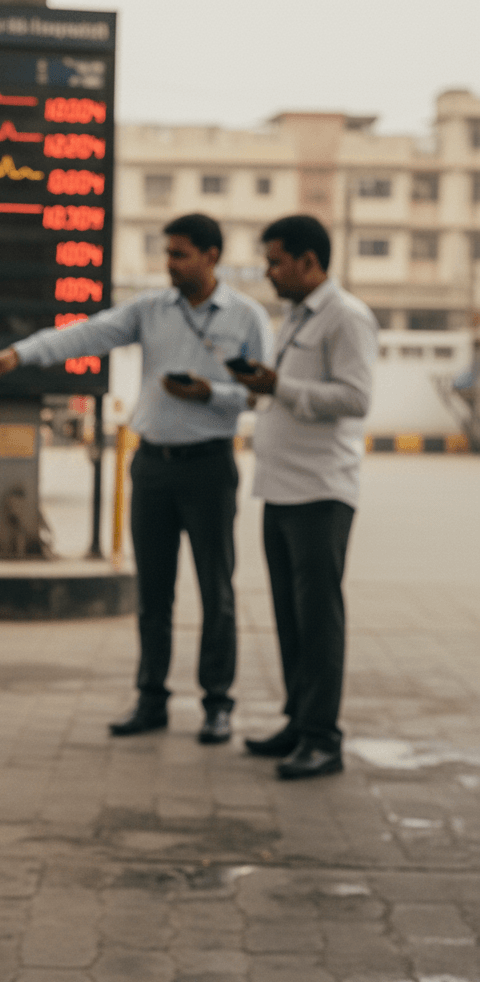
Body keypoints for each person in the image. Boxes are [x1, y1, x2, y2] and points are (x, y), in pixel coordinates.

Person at [0, 213, 270, 744]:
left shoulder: (247, 317)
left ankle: (217, 704)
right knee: (153, 594)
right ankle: (151, 699)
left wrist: (209, 395)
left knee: (215, 590)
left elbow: (257, 394)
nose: (169, 264)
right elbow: (88, 334)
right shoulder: (151, 310)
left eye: (179, 254)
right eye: (167, 253)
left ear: (211, 256)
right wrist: (21, 354)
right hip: (152, 465)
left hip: (209, 467)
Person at [231, 214, 377, 780]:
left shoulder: (346, 317)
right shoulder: (296, 316)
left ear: (309, 261)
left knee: (318, 620)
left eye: (275, 261)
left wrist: (278, 387)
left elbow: (357, 398)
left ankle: (323, 738)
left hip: (321, 492)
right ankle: (299, 720)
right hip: (282, 490)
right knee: (291, 619)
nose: (268, 272)